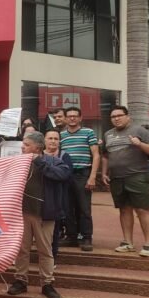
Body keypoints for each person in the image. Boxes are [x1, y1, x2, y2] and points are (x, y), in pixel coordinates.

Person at [7, 132, 71, 298]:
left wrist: (39, 162)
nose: (22, 147)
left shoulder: (53, 161)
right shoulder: (19, 162)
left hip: (45, 214)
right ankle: (20, 280)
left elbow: (63, 175)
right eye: (23, 144)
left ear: (37, 147)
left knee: (45, 250)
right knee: (22, 249)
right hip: (22, 213)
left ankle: (47, 284)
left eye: (26, 145)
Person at [101, 105, 149, 257]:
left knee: (142, 209)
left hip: (137, 176)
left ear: (128, 116)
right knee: (124, 209)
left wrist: (140, 144)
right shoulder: (108, 134)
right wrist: (104, 173)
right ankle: (127, 242)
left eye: (119, 115)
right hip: (117, 178)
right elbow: (105, 156)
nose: (116, 118)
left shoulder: (140, 131)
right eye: (113, 116)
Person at [59, 106, 100, 251]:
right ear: (65, 118)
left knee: (84, 208)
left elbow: (96, 155)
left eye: (75, 116)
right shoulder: (61, 135)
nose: (72, 118)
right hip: (66, 175)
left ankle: (87, 237)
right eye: (69, 116)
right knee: (67, 207)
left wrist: (93, 176)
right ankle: (71, 236)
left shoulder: (88, 132)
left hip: (83, 174)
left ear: (80, 118)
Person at [44, 129, 74, 259]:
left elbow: (66, 176)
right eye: (50, 138)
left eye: (56, 139)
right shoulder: (38, 155)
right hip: (41, 198)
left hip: (58, 198)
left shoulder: (64, 156)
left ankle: (53, 257)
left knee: (55, 229)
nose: (53, 141)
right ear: (44, 140)